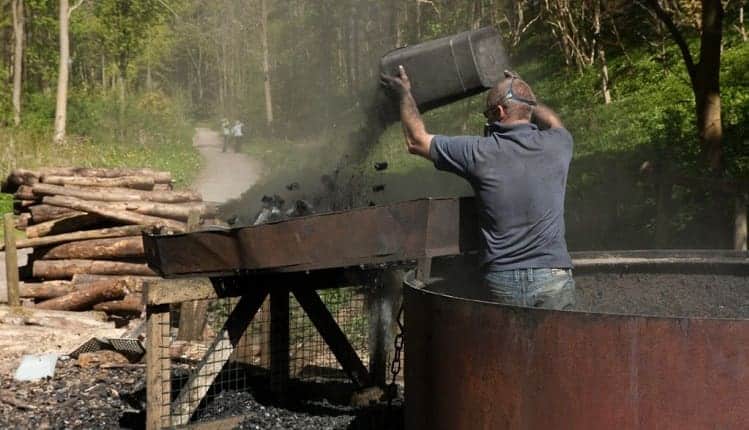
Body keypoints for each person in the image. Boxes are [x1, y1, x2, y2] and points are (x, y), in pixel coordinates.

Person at [381, 66, 575, 310]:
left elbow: (416, 140)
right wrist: (525, 94)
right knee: (556, 348)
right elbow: (553, 121)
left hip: (502, 278)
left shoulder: (478, 151)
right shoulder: (560, 144)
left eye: (489, 113)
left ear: (500, 111)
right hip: (553, 276)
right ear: (529, 109)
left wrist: (404, 94)